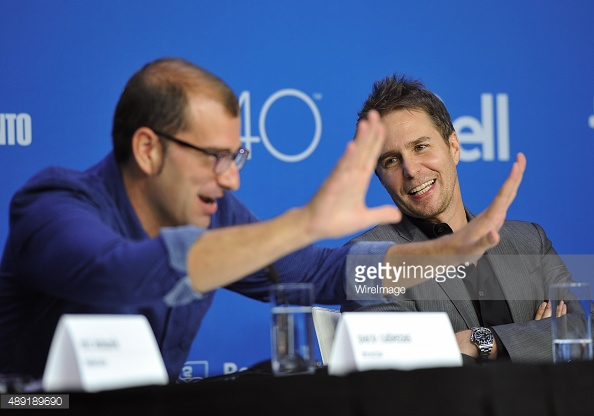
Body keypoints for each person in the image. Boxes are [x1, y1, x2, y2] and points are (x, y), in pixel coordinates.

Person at [0, 58, 525, 380]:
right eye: (213, 158)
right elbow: (118, 274)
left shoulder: (211, 211)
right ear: (147, 149)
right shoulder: (52, 205)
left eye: (236, 158)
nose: (230, 180)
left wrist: (442, 255)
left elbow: (323, 272)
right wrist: (304, 221)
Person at [344, 73, 587, 364]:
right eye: (391, 160)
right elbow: (400, 367)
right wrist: (537, 338)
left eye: (421, 146)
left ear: (454, 147)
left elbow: (583, 328)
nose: (410, 169)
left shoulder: (530, 242)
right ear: (380, 177)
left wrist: (483, 342)